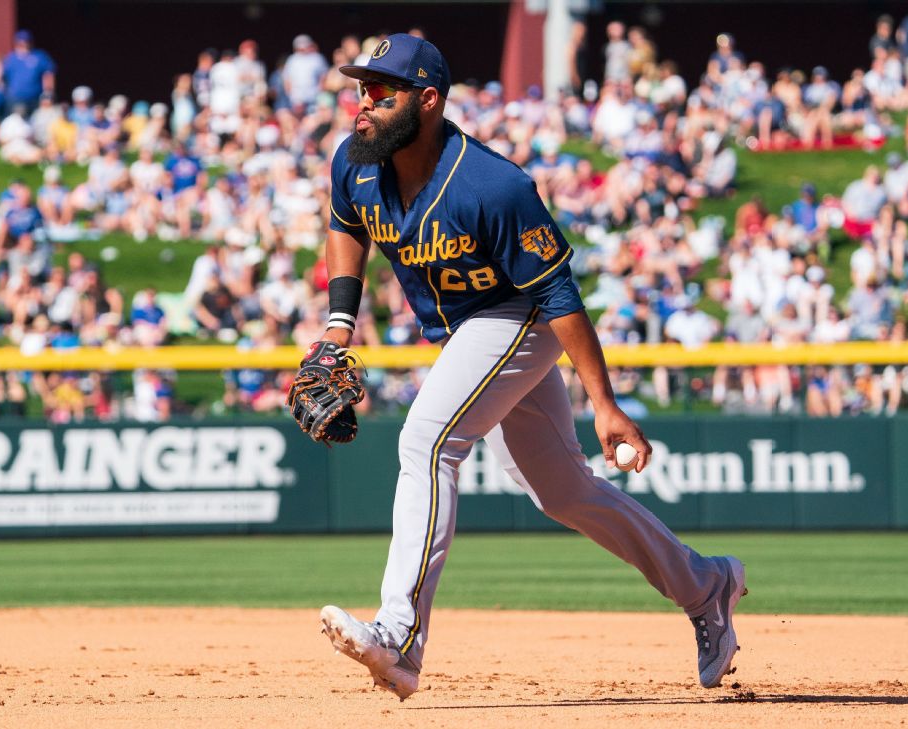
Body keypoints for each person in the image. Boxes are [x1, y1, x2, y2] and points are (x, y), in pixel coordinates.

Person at [311, 33, 746, 701]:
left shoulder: (493, 184)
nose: (362, 102)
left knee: (427, 441)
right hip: (465, 329)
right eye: (360, 88)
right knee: (563, 491)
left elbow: (559, 291)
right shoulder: (356, 162)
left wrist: (603, 402)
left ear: (427, 100)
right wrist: (339, 324)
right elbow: (346, 222)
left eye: (380, 90)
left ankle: (399, 636)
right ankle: (707, 584)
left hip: (523, 314)